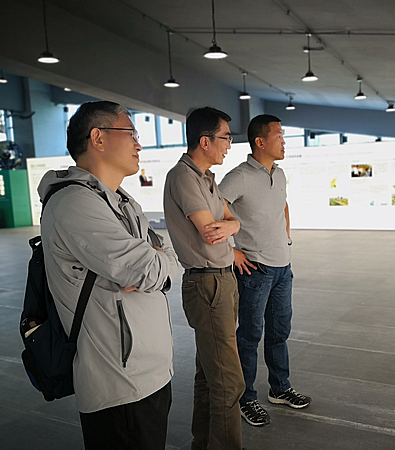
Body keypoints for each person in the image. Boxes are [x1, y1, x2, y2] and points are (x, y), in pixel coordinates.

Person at [38, 101, 178, 449]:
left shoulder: (122, 201)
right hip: (120, 385)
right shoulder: (74, 203)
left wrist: (151, 263)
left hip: (152, 373)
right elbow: (148, 268)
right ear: (98, 138)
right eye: (131, 133)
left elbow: (169, 257)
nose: (139, 144)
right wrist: (150, 262)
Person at [219, 114, 311, 427]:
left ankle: (280, 388)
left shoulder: (279, 173)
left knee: (279, 333)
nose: (284, 141)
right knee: (249, 336)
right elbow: (214, 207)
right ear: (260, 141)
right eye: (279, 135)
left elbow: (282, 206)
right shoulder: (239, 176)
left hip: (283, 268)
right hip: (255, 271)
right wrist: (232, 251)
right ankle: (246, 399)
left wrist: (286, 237)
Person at [163, 107, 245, 449]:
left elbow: (232, 219)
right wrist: (230, 226)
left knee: (211, 374)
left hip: (222, 281)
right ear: (205, 141)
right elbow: (211, 233)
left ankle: (204, 442)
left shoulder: (207, 178)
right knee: (228, 381)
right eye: (225, 137)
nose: (229, 145)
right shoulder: (183, 177)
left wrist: (231, 225)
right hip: (207, 284)